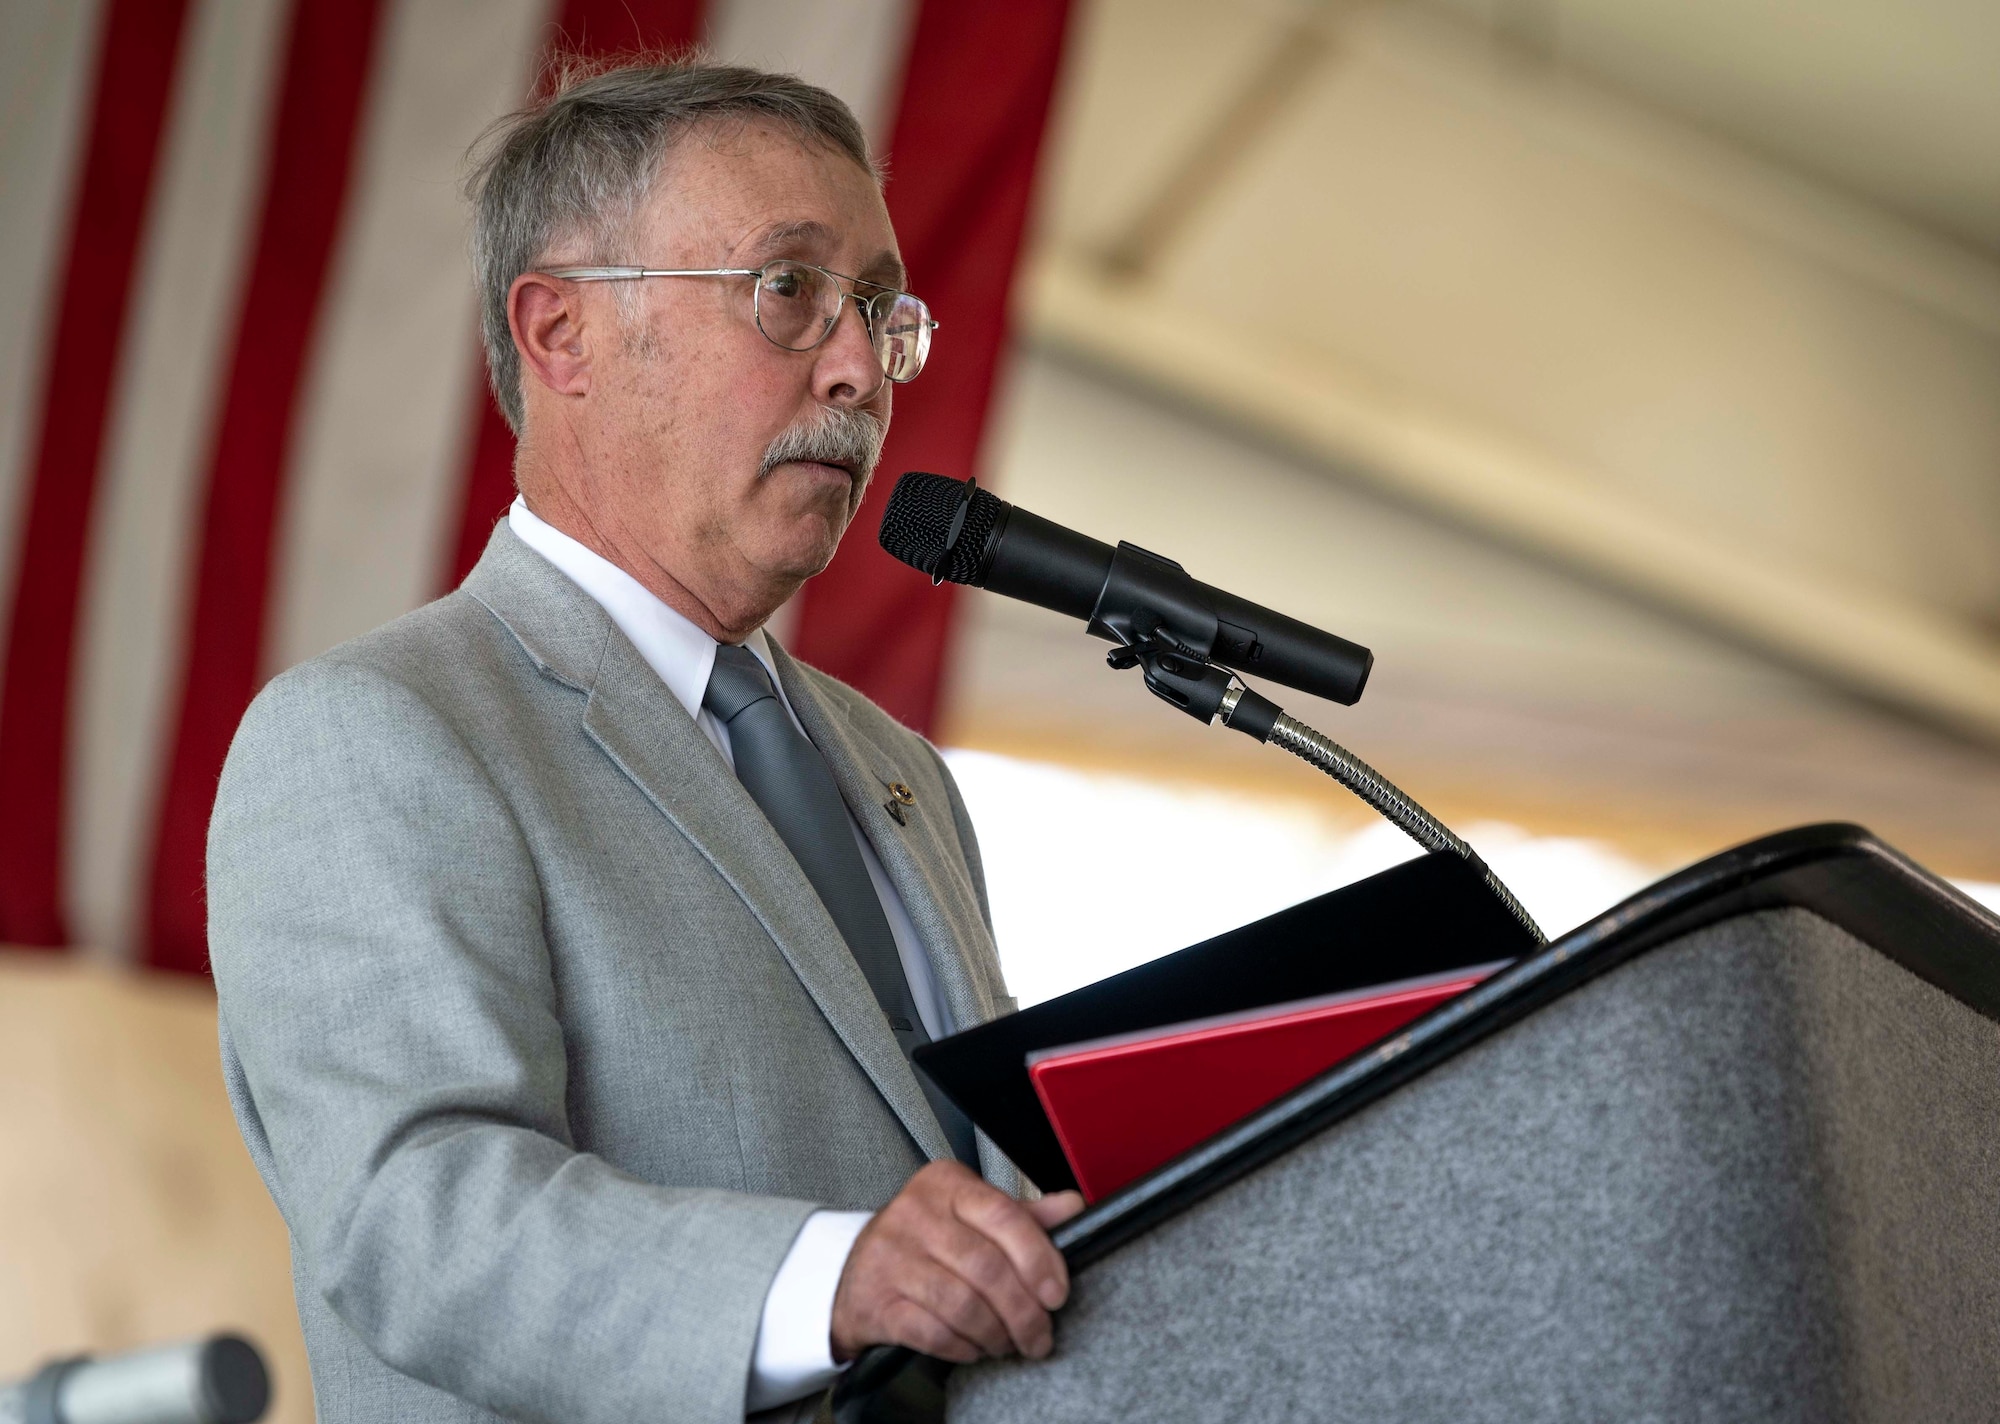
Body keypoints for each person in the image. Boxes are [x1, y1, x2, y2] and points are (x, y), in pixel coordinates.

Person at [207, 58, 1082, 1424]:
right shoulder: (378, 734)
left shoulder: (899, 772)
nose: (857, 366)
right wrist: (822, 1282)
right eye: (787, 291)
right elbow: (415, 1219)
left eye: (874, 309)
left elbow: (969, 1209)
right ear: (560, 334)